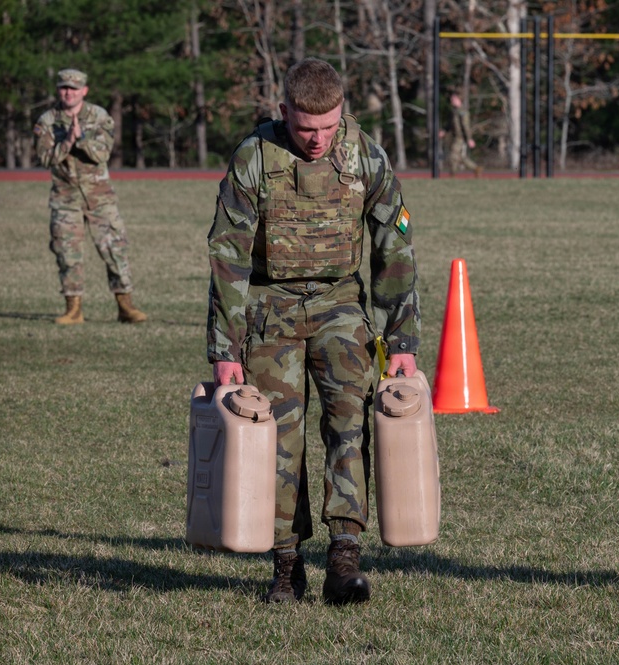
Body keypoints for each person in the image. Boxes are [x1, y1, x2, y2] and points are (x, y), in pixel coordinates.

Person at [206, 58, 421, 605]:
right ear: (284, 113)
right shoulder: (255, 157)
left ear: (342, 113)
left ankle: (344, 559)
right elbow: (227, 255)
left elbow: (393, 247)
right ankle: (286, 567)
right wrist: (224, 350)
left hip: (340, 305)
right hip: (269, 308)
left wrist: (401, 342)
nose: (318, 139)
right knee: (276, 437)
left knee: (349, 425)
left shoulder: (366, 155)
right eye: (306, 129)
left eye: (329, 127)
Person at [33, 68, 147, 325]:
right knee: (67, 253)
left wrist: (81, 139)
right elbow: (44, 158)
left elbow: (102, 154)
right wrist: (66, 142)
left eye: (74, 89)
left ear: (84, 91)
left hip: (99, 197)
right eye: (64, 88)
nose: (68, 93)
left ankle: (125, 306)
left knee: (115, 249)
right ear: (58, 90)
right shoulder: (47, 121)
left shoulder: (99, 117)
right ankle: (73, 309)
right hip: (65, 198)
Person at [446, 93, 482, 177]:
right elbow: (450, 124)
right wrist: (444, 130)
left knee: (453, 155)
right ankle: (476, 168)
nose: (452, 101)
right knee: (460, 157)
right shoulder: (454, 111)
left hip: (460, 137)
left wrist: (469, 139)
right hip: (455, 136)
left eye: (454, 99)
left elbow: (465, 126)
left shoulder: (462, 112)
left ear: (459, 100)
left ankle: (452, 174)